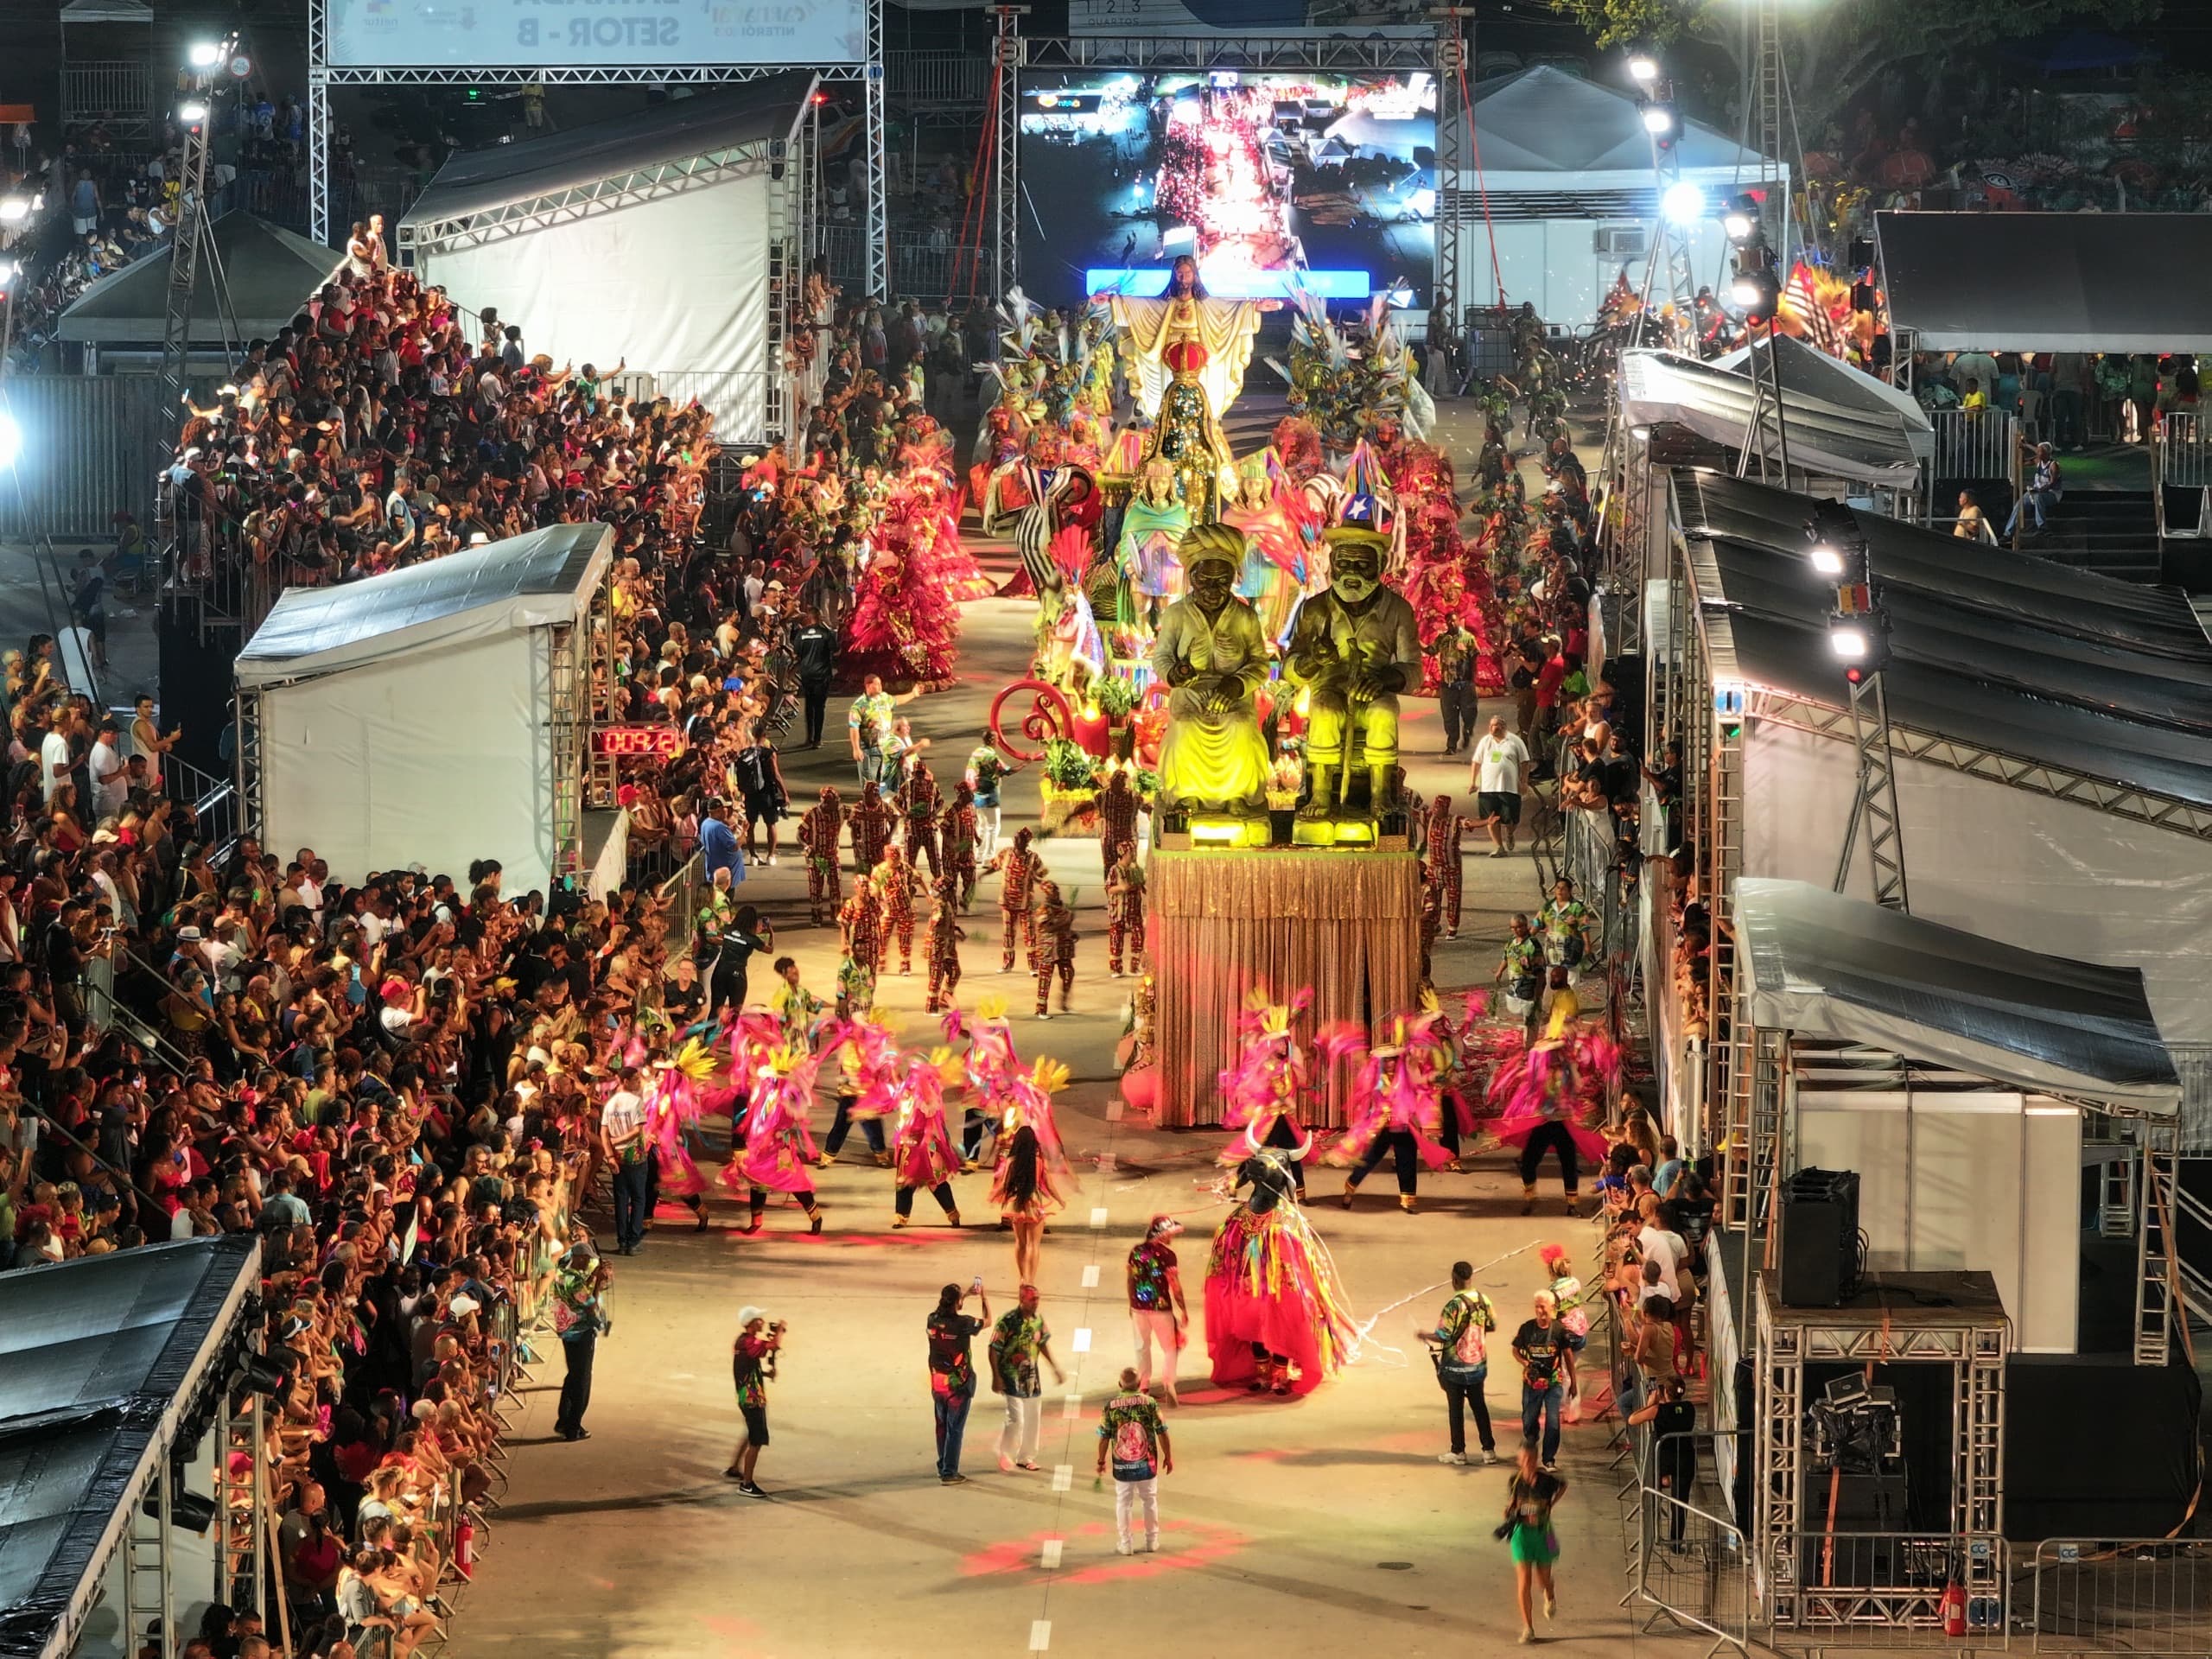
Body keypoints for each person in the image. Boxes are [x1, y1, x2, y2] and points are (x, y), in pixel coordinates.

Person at [1421, 1261, 1499, 1465]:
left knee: (1455, 1409)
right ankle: (1489, 1450)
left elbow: (1443, 1335)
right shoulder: (1484, 1300)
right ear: (1470, 1277)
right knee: (1479, 1407)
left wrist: (1424, 1335)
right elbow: (1491, 1326)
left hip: (1455, 1368)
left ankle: (1458, 1451)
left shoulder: (1453, 1305)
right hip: (1478, 1365)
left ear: (1454, 1278)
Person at [1095, 1366, 1175, 1557]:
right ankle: (1151, 1540)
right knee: (1149, 1500)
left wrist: (1100, 1461)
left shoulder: (1110, 1406)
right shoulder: (1150, 1403)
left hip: (1122, 1464)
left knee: (1123, 1502)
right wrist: (1168, 1456)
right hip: (1148, 1462)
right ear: (1140, 1384)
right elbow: (1162, 1431)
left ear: (1120, 1384)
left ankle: (1126, 1543)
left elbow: (1104, 1437)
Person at [988, 1283, 1065, 1473]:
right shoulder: (1007, 1321)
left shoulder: (1038, 1320)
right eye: (1032, 1299)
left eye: (1037, 1299)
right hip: (1010, 1375)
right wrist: (996, 1376)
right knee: (1016, 1419)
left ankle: (1026, 1457)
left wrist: (1054, 1367)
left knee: (1033, 1418)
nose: (1036, 1303)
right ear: (1021, 1299)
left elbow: (1042, 1344)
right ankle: (1004, 1454)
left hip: (1031, 1376)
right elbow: (993, 1348)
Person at [1501, 1439, 1567, 1643]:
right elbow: (1512, 1503)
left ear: (1536, 1459)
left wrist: (1551, 1505)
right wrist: (1509, 1512)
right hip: (1521, 1535)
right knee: (1524, 1583)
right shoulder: (1515, 1480)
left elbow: (1563, 1485)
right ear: (1519, 1460)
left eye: (1531, 1459)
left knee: (1543, 1580)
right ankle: (1528, 1628)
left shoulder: (1547, 1481)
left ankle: (1550, 1594)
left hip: (1543, 1533)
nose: (1528, 1462)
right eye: (1524, 1459)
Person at [926, 1281, 989, 1484]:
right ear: (957, 1303)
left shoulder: (932, 1320)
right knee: (955, 1428)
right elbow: (987, 1321)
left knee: (942, 1425)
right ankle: (949, 1472)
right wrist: (983, 1297)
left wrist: (966, 1295)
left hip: (938, 1381)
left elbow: (949, 1309)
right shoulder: (964, 1323)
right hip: (958, 1383)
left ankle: (942, 1464)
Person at [1628, 1376, 1698, 1544]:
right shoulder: (1690, 1408)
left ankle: (1652, 1533)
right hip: (1685, 1458)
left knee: (1653, 1495)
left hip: (1665, 1460)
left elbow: (1632, 1419)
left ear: (1665, 1392)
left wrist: (1651, 1404)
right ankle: (1676, 1541)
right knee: (1680, 1503)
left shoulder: (1659, 1411)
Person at [1127, 1214, 1189, 1404]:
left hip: (1138, 1308)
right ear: (1162, 1235)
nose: (1172, 1238)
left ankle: (1143, 1385)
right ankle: (1168, 1383)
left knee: (1142, 1346)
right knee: (1171, 1347)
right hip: (1160, 1308)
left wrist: (1131, 1302)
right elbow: (1175, 1286)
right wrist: (1183, 1308)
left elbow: (1130, 1279)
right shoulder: (1168, 1256)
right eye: (1169, 1234)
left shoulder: (1136, 1252)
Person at [990, 1122, 1061, 1284]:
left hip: (1016, 1206)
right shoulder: (1039, 1162)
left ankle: (1022, 1277)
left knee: (1020, 1243)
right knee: (1033, 1245)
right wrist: (1060, 1200)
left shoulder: (1011, 1162)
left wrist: (993, 1195)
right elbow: (1049, 1184)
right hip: (1034, 1205)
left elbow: (1003, 1185)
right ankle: (1030, 1280)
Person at [551, 1239, 607, 1442]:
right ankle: (574, 1426)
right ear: (580, 1258)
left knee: (573, 1374)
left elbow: (579, 1289)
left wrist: (593, 1276)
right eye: (587, 1261)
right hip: (581, 1330)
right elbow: (590, 1304)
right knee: (582, 1379)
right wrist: (598, 1285)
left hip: (566, 1331)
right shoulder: (573, 1280)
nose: (588, 1264)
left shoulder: (562, 1273)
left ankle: (564, 1420)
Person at [727, 1306, 784, 1497]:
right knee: (756, 1439)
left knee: (750, 1431)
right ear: (751, 1323)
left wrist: (767, 1372)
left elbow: (753, 1361)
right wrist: (779, 1332)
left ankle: (734, 1467)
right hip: (752, 1398)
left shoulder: (744, 1342)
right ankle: (747, 1484)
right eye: (759, 1319)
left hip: (748, 1394)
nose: (762, 1321)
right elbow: (771, 1346)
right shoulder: (748, 1342)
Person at [1512, 1292, 1569, 1468]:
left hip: (1553, 1383)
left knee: (1553, 1422)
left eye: (1542, 1307)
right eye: (1536, 1306)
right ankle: (1530, 1446)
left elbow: (1568, 1355)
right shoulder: (1526, 1329)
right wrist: (1525, 1363)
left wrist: (1573, 1382)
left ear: (1552, 1308)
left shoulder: (1559, 1330)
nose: (1539, 1310)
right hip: (1532, 1383)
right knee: (1529, 1419)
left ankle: (1549, 1459)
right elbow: (1515, 1350)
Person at [601, 1066, 650, 1255]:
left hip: (617, 1158)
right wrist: (617, 1142)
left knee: (621, 1199)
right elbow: (637, 1131)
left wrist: (610, 1154)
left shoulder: (610, 1104)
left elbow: (603, 1132)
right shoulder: (636, 1102)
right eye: (636, 1080)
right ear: (625, 1081)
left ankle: (622, 1241)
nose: (638, 1083)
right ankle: (633, 1240)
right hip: (634, 1156)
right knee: (638, 1198)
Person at [1469, 715, 1532, 856]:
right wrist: (1473, 782)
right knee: (1491, 819)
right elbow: (1476, 762)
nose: (1492, 729)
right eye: (1490, 726)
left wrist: (1524, 782)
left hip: (1509, 787)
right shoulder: (1485, 741)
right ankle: (1499, 847)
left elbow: (1525, 763)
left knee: (1512, 819)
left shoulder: (1515, 741)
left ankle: (1510, 833)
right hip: (1488, 788)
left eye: (1495, 726)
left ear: (1503, 726)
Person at [849, 672, 920, 786]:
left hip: (887, 747)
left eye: (880, 683)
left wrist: (913, 694)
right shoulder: (859, 706)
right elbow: (854, 727)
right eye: (877, 684)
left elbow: (897, 700)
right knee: (869, 783)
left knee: (895, 778)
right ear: (868, 686)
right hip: (870, 749)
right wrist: (856, 749)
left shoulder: (884, 698)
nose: (880, 686)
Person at [788, 605, 839, 748]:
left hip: (807, 674)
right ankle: (817, 739)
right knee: (819, 706)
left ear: (808, 618)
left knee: (809, 706)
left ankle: (809, 738)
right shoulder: (826, 633)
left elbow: (796, 653)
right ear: (820, 617)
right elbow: (835, 650)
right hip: (822, 674)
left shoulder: (801, 634)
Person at [2005, 440, 2063, 539]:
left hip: (2052, 494)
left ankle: (2042, 527)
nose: (2037, 453)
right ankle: (2008, 533)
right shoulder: (2038, 461)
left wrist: (2026, 445)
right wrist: (2022, 450)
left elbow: (2052, 483)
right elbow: (2021, 463)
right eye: (2038, 451)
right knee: (2019, 504)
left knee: (2038, 497)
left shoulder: (2054, 465)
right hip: (2036, 492)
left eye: (2040, 452)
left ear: (2047, 453)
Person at [1104, 840, 1146, 976]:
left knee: (1139, 934)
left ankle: (1134, 967)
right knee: (1117, 937)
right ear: (1124, 854)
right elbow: (1109, 889)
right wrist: (1121, 887)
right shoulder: (1115, 870)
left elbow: (1143, 886)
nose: (1133, 855)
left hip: (1134, 909)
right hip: (1119, 910)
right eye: (1130, 853)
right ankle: (1115, 969)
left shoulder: (1135, 869)